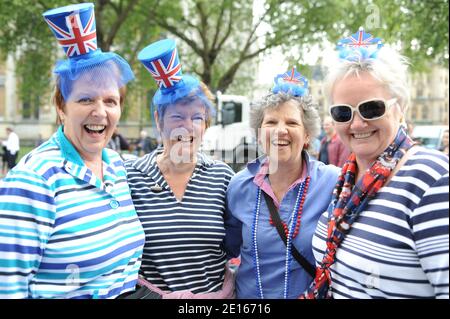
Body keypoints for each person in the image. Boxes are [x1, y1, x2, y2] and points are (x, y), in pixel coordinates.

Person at [0, 3, 145, 299]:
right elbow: (8, 288)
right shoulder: (33, 182)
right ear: (61, 107)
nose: (99, 112)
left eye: (110, 101)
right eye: (85, 99)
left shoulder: (116, 166)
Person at [302, 27, 449, 299]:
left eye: (372, 108)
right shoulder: (346, 180)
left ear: (399, 106)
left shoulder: (433, 180)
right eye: (343, 112)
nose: (357, 123)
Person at [124, 39, 235, 298]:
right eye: (177, 117)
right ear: (158, 121)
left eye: (197, 117)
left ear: (206, 125)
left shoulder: (223, 177)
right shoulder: (131, 177)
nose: (187, 126)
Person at [224, 68, 340, 299]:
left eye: (292, 122)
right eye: (271, 122)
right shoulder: (239, 186)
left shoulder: (332, 182)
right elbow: (227, 248)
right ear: (259, 133)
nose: (280, 130)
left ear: (307, 135)